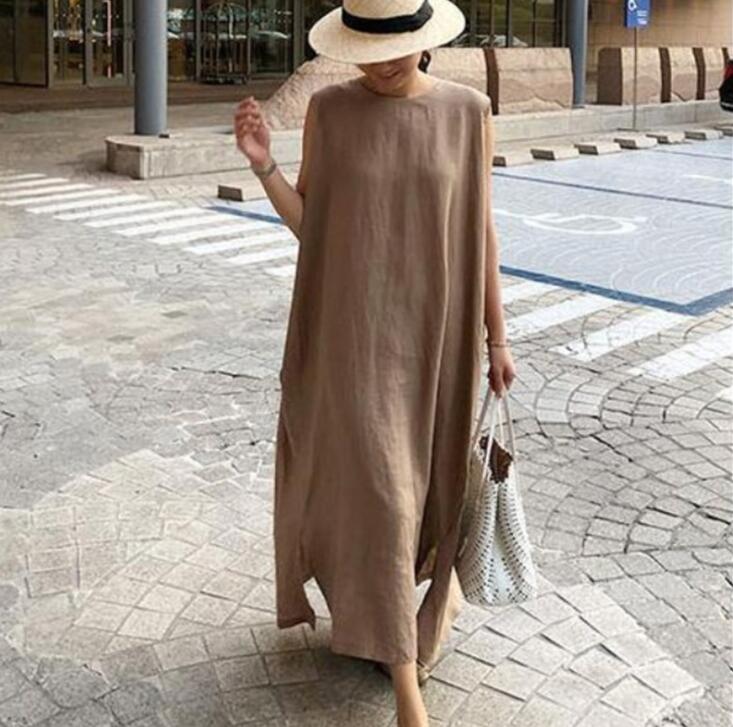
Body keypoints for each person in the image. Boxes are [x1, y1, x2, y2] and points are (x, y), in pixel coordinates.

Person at [233, 2, 516, 725]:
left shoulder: (468, 111)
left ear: (424, 41)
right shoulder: (330, 110)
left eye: (394, 46)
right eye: (365, 50)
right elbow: (315, 226)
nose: (381, 62)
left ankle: (423, 603)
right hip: (352, 339)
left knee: (424, 488)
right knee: (383, 496)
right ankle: (405, 687)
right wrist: (265, 167)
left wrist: (497, 338)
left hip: (436, 335)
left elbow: (480, 227)